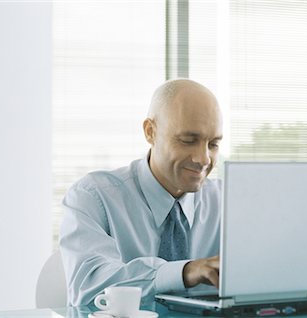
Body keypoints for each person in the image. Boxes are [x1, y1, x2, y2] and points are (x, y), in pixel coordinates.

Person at [59, 79, 222, 306]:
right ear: (150, 132)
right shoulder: (94, 196)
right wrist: (184, 272)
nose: (203, 159)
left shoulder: (227, 202)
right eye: (188, 140)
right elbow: (88, 286)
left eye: (213, 144)